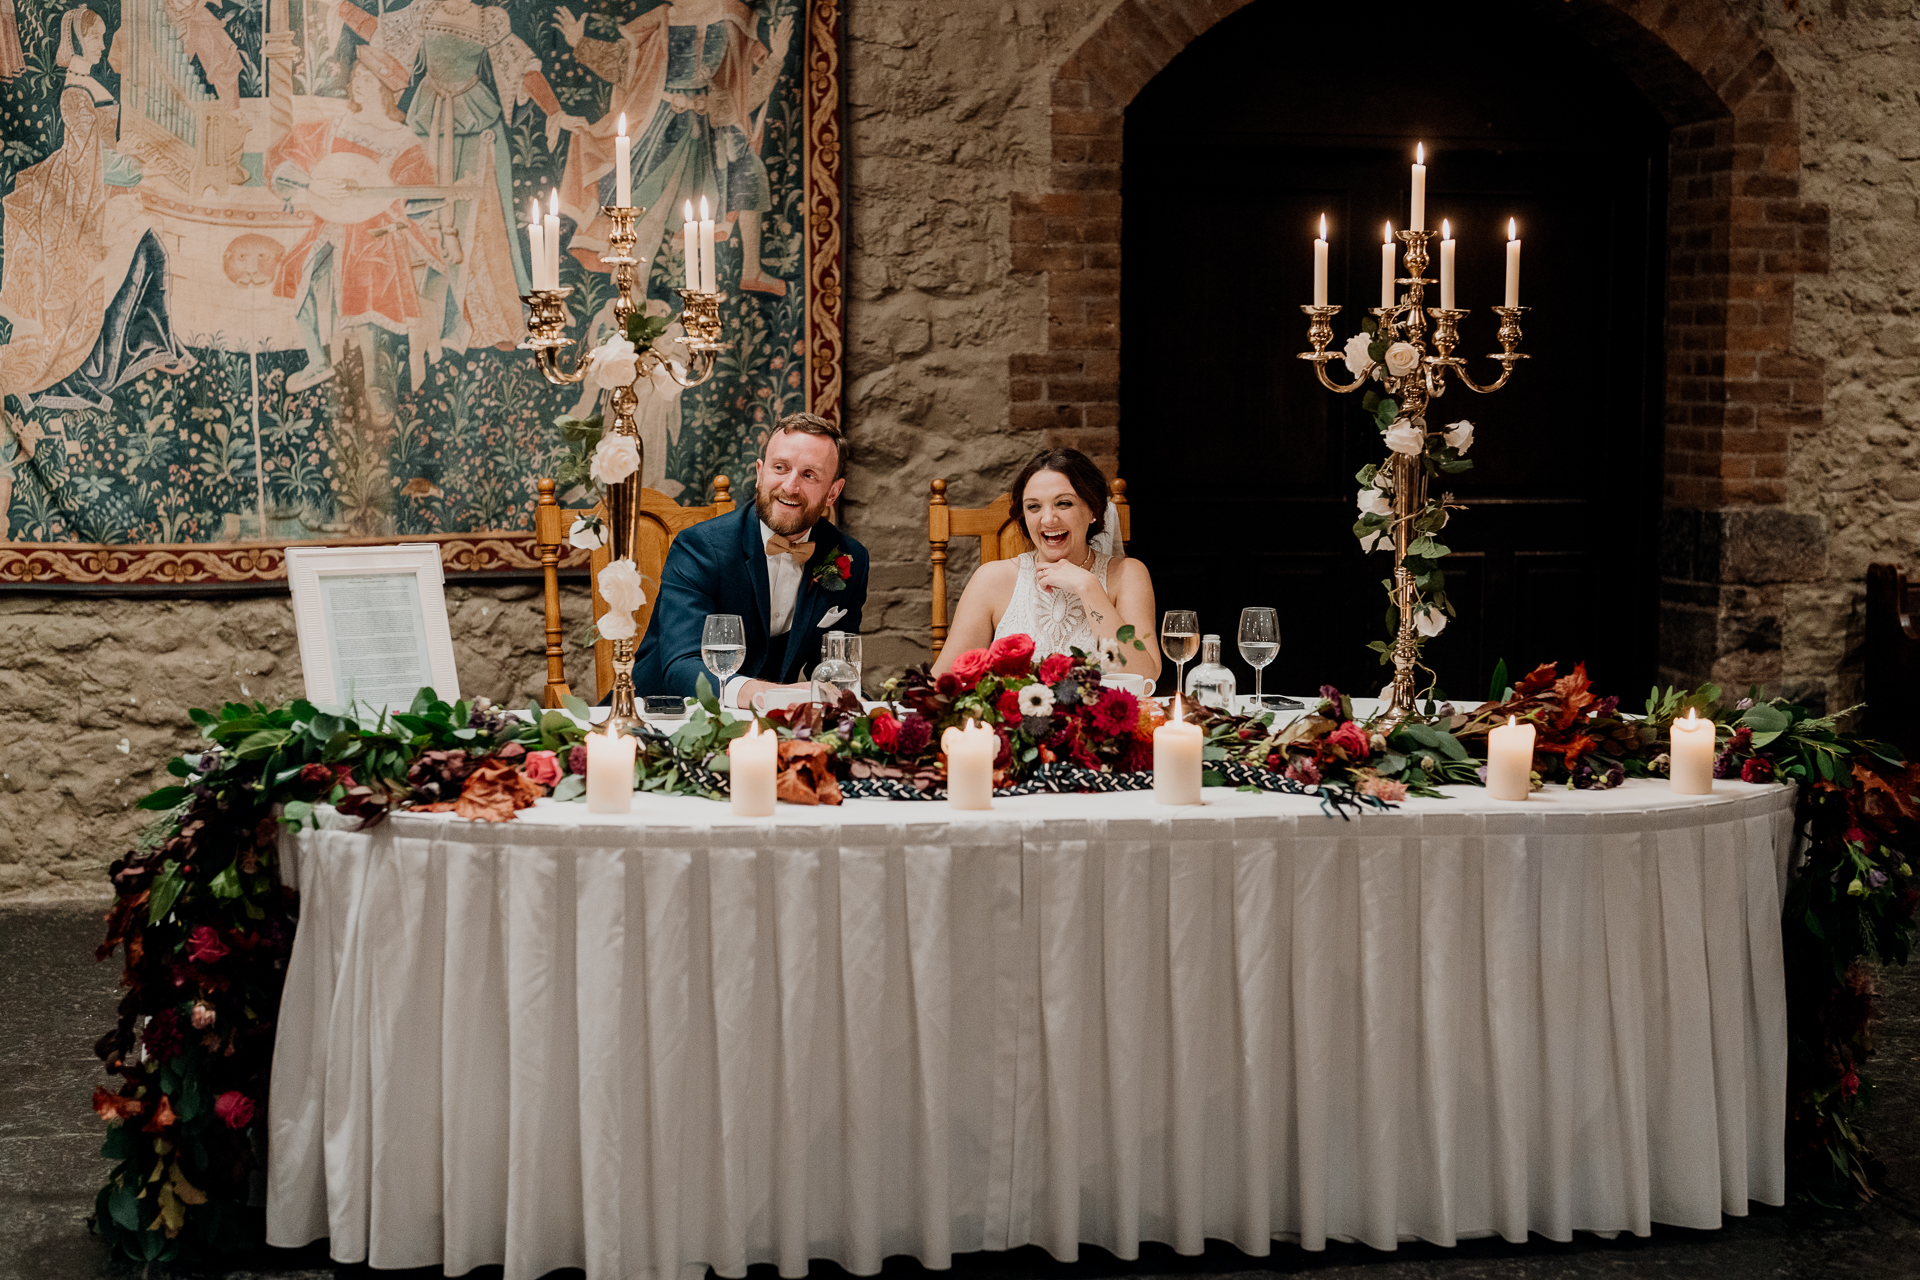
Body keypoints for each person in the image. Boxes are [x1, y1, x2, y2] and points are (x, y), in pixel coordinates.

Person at [633, 412, 868, 706]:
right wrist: (767, 696)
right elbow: (681, 668)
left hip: (770, 727)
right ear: (760, 473)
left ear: (833, 492)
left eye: (809, 475)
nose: (790, 487)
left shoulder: (848, 558)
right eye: (780, 468)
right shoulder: (700, 547)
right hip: (660, 717)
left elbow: (838, 670)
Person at [932, 447, 1161, 683]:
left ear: (1093, 509)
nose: (1048, 519)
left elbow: (1144, 678)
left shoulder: (1127, 575)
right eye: (1033, 507)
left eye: (1063, 503)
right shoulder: (991, 580)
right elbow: (944, 681)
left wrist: (1089, 587)